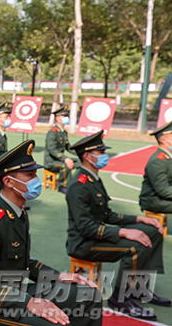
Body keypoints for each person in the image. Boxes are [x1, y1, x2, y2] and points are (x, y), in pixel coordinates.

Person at [0, 139, 102, 326]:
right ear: (8, 182)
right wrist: (28, 302)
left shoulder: (18, 212)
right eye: (30, 175)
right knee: (55, 323)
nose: (36, 179)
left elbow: (23, 263)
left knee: (89, 295)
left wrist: (59, 276)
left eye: (35, 173)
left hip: (16, 291)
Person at [66, 131, 168, 320]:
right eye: (101, 152)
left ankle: (139, 288)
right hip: (83, 243)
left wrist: (139, 220)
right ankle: (120, 299)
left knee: (152, 231)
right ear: (87, 156)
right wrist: (124, 232)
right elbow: (86, 228)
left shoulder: (93, 178)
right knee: (135, 247)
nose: (105, 155)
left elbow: (107, 215)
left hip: (96, 235)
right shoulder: (79, 185)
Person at [139, 120, 172, 214]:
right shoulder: (158, 160)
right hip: (155, 201)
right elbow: (163, 190)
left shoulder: (168, 157)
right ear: (163, 141)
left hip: (163, 199)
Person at [44, 105, 77, 194]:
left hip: (60, 159)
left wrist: (80, 153)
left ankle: (73, 182)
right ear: (57, 118)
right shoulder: (53, 132)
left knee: (81, 162)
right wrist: (66, 158)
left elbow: (68, 147)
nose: (66, 118)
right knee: (65, 165)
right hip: (51, 162)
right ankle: (63, 186)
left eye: (67, 116)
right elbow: (52, 150)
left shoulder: (64, 132)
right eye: (64, 116)